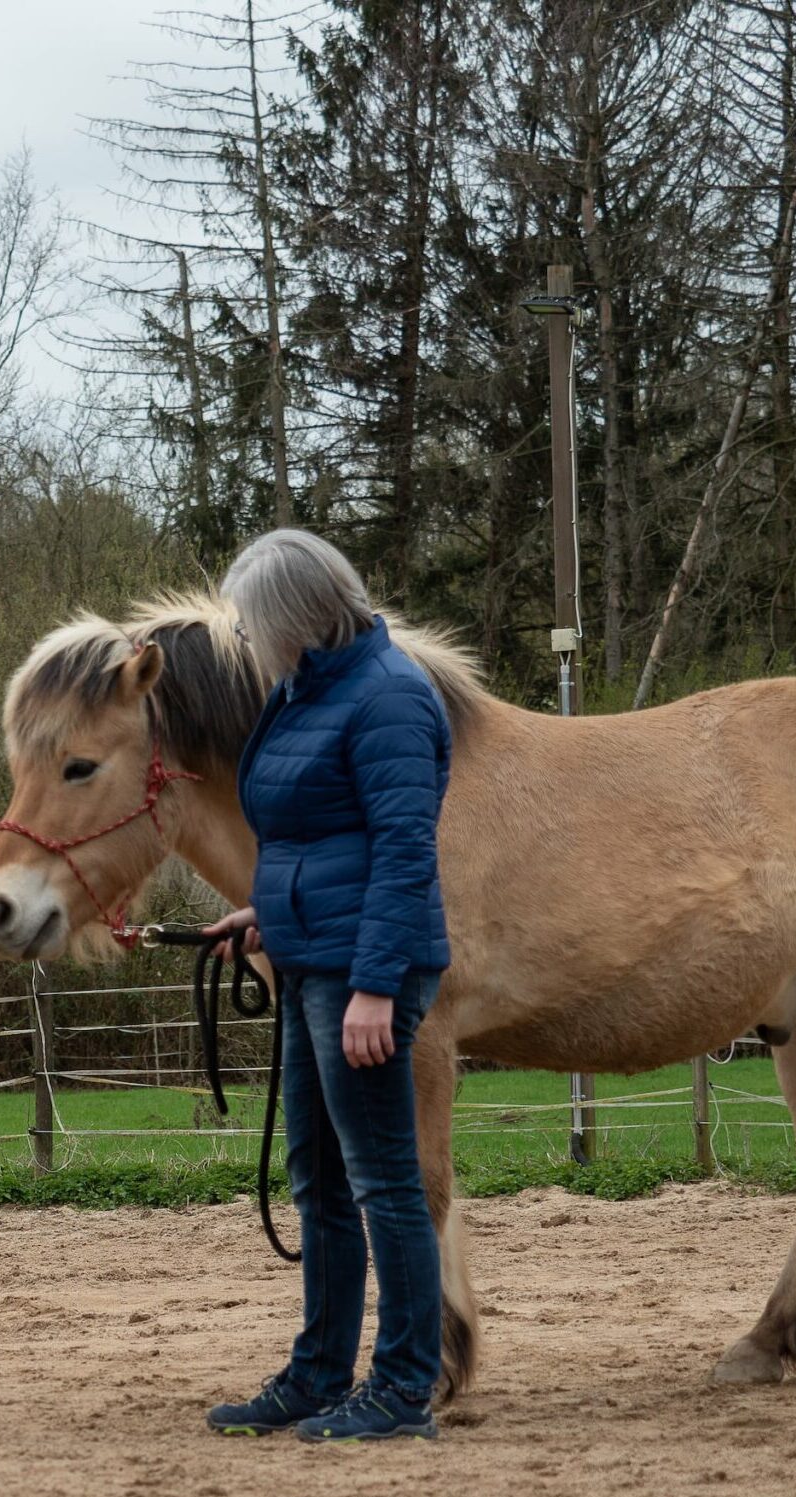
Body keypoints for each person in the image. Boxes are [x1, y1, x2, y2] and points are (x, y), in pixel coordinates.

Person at [204, 529, 452, 1444]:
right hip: (313, 957)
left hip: (363, 971)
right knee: (318, 1179)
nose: (246, 638)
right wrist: (265, 914)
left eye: (253, 621)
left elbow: (402, 853)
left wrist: (377, 988)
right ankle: (319, 1373)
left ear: (297, 617)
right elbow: (305, 836)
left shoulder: (389, 699)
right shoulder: (301, 693)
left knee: (384, 1180)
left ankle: (402, 1389)